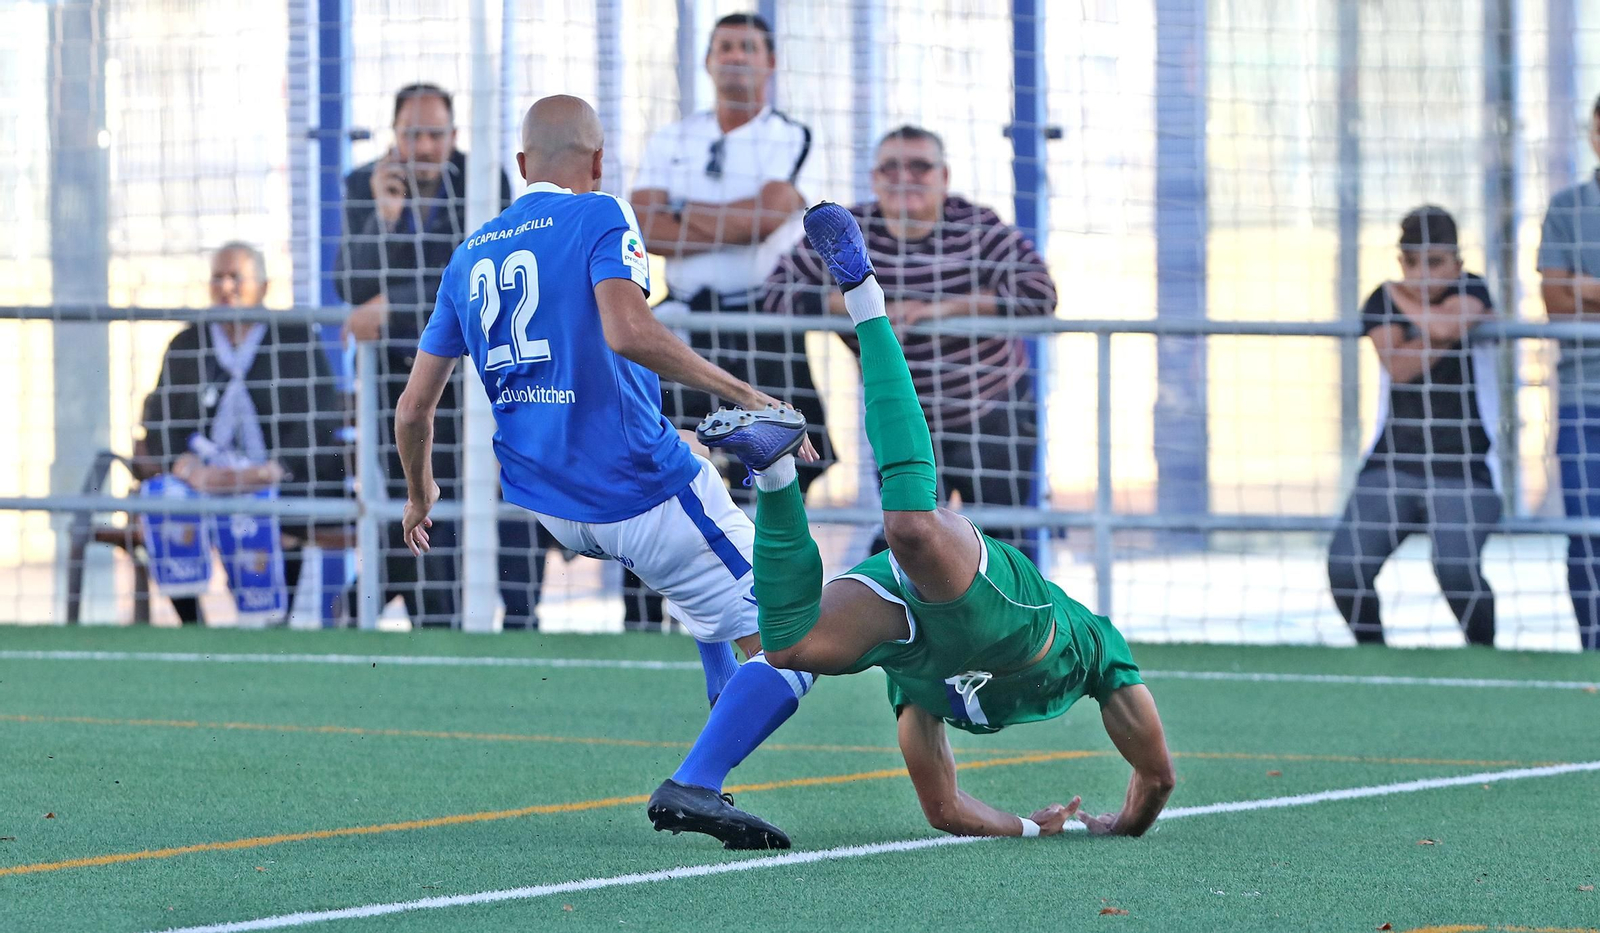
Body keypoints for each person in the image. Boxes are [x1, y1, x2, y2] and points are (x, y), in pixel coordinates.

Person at [653, 204, 1175, 844]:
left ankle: (776, 472)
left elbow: (944, 808)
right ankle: (863, 292)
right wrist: (1124, 825)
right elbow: (1157, 777)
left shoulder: (915, 695)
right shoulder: (1098, 644)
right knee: (910, 528)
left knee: (786, 649)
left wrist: (1033, 830)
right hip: (1009, 608)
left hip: (912, 635)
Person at [396, 95, 823, 849]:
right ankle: (696, 782)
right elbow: (629, 332)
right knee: (800, 637)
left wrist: (419, 492)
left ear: (521, 165)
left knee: (701, 526)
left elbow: (412, 409)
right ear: (597, 162)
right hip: (635, 493)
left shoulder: (469, 255)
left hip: (553, 506)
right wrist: (748, 395)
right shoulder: (601, 213)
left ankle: (719, 710)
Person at [626, 12, 831, 630]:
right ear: (708, 60)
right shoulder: (672, 137)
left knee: (784, 467)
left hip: (761, 323)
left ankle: (772, 617)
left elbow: (765, 220)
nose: (736, 57)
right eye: (725, 47)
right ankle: (646, 619)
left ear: (770, 63)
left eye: (748, 47)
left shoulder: (788, 134)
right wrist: (728, 219)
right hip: (684, 320)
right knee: (656, 459)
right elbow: (643, 224)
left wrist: (683, 213)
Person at [765, 125, 1057, 558]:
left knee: (1002, 547)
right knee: (907, 543)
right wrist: (866, 304)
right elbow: (774, 293)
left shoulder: (977, 226)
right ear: (874, 178)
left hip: (990, 412)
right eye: (891, 167)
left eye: (920, 166)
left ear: (944, 177)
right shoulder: (848, 231)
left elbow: (1040, 293)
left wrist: (935, 311)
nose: (905, 178)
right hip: (900, 416)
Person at [335, 82, 548, 629]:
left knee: (505, 494)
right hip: (396, 378)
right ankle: (434, 624)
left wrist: (395, 307)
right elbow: (349, 285)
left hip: (475, 377)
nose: (425, 147)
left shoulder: (481, 179)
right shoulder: (363, 183)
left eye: (435, 134)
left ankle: (521, 622)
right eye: (413, 135)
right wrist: (383, 218)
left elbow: (481, 272)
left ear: (453, 136)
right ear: (394, 135)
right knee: (415, 496)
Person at [134, 242, 348, 624]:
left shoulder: (295, 338)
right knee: (166, 500)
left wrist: (271, 470)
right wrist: (188, 469)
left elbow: (319, 416)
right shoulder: (187, 343)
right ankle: (193, 627)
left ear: (263, 287)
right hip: (203, 476)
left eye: (236, 277)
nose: (226, 287)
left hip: (278, 474)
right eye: (218, 277)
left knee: (284, 513)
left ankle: (271, 624)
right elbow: (160, 417)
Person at [1326, 206, 1500, 647]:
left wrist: (1404, 299)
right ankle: (1374, 655)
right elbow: (1402, 365)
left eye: (1435, 263)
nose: (1423, 275)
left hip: (1467, 468)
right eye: (1412, 263)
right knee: (1346, 567)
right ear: (1400, 260)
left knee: (1455, 569)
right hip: (1392, 462)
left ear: (1457, 262)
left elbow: (1445, 326)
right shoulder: (1381, 301)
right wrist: (1433, 325)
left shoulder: (1471, 288)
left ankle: (1484, 653)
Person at [1538, 93, 1600, 651]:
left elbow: (1573, 294)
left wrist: (1588, 288)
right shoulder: (1567, 208)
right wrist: (1571, 290)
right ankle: (1592, 650)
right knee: (1587, 533)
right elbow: (1556, 302)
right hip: (1585, 394)